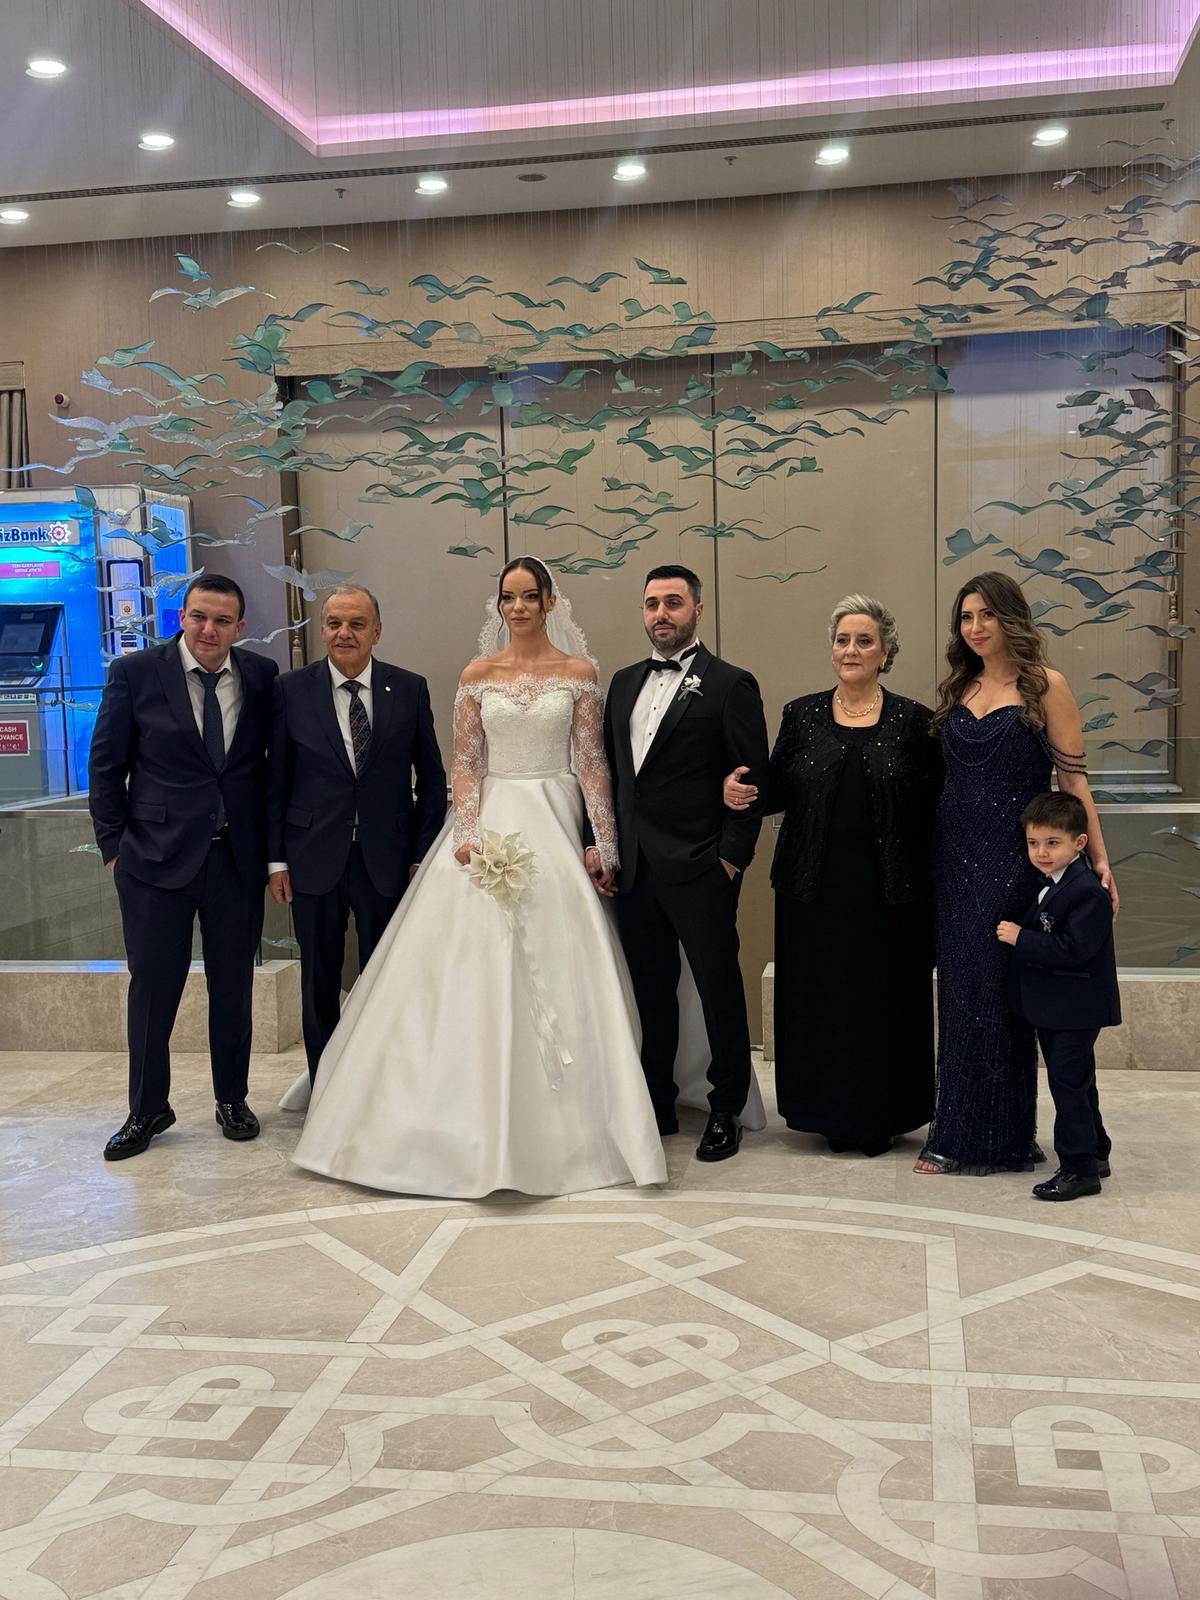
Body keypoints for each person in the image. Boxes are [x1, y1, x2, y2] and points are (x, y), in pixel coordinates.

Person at [291, 557, 666, 1198]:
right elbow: (465, 762)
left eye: (528, 597)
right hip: (488, 820)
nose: (517, 608)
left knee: (564, 954)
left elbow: (591, 763)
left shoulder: (579, 673)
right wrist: (467, 832)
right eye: (508, 598)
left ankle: (579, 1122)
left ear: (549, 602)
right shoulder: (476, 675)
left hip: (555, 815)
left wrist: (603, 841)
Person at [915, 570, 1118, 1176]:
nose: (975, 627)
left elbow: (1073, 780)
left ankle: (1001, 1137)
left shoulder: (1045, 685)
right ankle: (957, 1130)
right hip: (953, 860)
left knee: (1001, 997)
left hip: (1013, 861)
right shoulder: (960, 686)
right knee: (961, 995)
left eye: (987, 615)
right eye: (966, 617)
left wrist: (1098, 858)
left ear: (1011, 618)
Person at [723, 595, 940, 1156]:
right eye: (843, 640)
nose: (851, 650)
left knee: (883, 1002)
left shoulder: (915, 721)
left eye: (864, 641)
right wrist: (737, 791)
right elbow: (774, 788)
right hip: (812, 890)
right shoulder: (801, 715)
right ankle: (827, 1115)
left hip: (891, 893)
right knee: (822, 1002)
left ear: (885, 652)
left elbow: (934, 807)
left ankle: (882, 1116)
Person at [88, 574, 278, 1160]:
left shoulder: (262, 676)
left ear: (239, 627)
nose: (208, 630)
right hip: (153, 861)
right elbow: (105, 765)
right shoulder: (136, 673)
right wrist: (115, 847)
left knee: (233, 985)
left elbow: (266, 769)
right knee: (153, 988)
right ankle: (147, 1108)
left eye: (221, 620)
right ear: (182, 617)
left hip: (234, 861)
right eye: (199, 616)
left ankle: (232, 1098)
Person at [603, 565, 769, 1163]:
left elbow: (752, 782)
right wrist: (605, 845)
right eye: (652, 603)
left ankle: (726, 1105)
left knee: (718, 988)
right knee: (651, 991)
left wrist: (730, 861)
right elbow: (615, 778)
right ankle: (658, 1101)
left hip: (701, 865)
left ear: (697, 610)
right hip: (635, 868)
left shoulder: (730, 684)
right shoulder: (622, 683)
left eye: (673, 602)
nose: (661, 614)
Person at [266, 585, 446, 1086]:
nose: (344, 633)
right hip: (311, 859)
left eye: (356, 624)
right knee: (318, 980)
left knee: (387, 978)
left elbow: (433, 780)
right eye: (334, 623)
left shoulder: (408, 688)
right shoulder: (290, 690)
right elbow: (275, 781)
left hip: (388, 861)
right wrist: (276, 860)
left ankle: (382, 1086)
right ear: (322, 629)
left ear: (377, 631)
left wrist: (422, 854)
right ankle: (326, 1087)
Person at [997, 791, 1120, 1201]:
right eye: (1034, 843)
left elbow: (1075, 949)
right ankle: (1095, 1150)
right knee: (1079, 1082)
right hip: (1060, 1007)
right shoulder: (1054, 882)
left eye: (1053, 843)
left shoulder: (1086, 891)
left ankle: (1078, 1171)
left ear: (1079, 843)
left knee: (1068, 1087)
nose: (1041, 852)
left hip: (1076, 1008)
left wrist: (1022, 938)